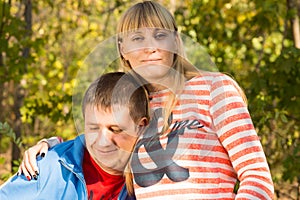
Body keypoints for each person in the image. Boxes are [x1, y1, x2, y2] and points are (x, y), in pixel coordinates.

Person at [16, 1, 274, 199]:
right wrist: (50, 148)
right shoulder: (133, 106)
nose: (150, 47)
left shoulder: (215, 89)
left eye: (160, 35)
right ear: (122, 49)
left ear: (175, 40)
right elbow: (102, 144)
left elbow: (257, 177)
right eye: (137, 38)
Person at [0, 72, 150, 199]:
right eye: (93, 128)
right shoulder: (47, 169)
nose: (102, 142)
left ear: (141, 127)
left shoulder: (154, 176)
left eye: (115, 129)